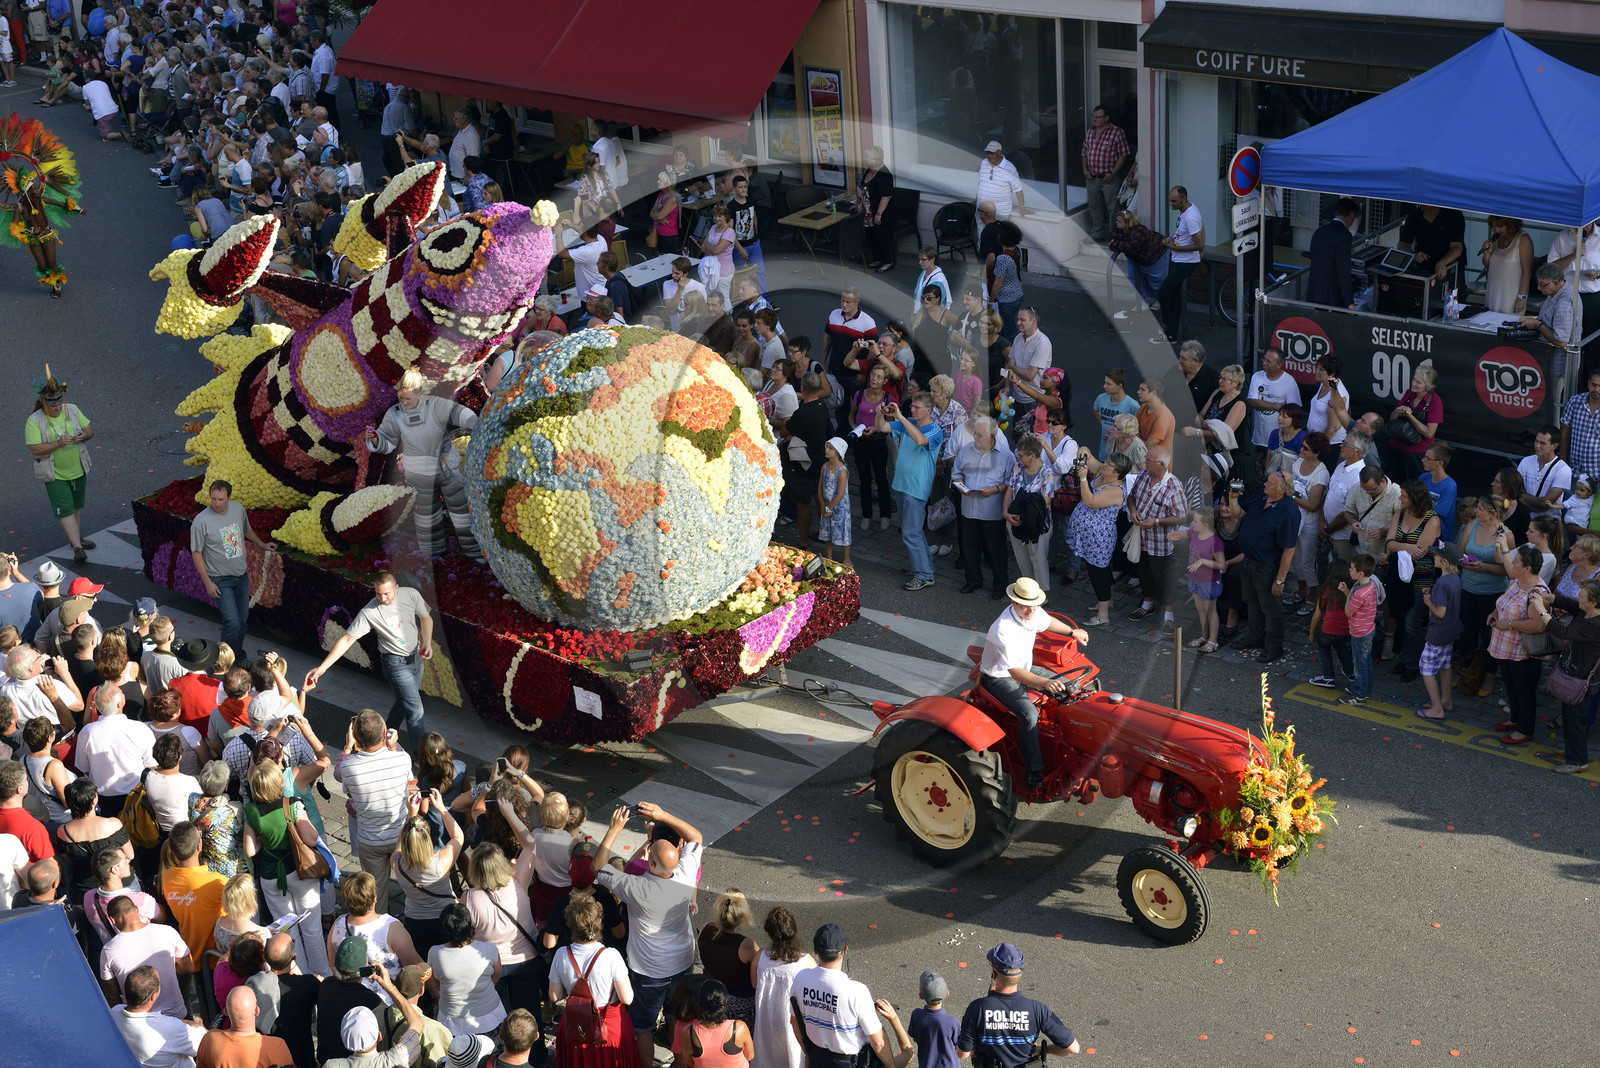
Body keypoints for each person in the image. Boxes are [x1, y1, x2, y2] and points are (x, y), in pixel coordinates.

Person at [977, 578, 1088, 790]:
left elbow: (1047, 622)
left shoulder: (1032, 612)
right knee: (1029, 716)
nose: (1031, 611)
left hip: (1024, 668)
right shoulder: (1003, 630)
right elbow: (1014, 673)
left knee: (1071, 688)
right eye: (1025, 606)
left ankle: (1068, 745)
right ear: (1014, 602)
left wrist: (1073, 632)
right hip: (1000, 676)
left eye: (1034, 605)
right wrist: (1046, 682)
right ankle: (1033, 771)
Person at [309, 572, 435, 752]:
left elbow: (426, 617)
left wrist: (427, 642)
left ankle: (382, 741)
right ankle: (423, 758)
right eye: (378, 593)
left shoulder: (410, 595)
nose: (382, 598)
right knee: (415, 710)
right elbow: (347, 639)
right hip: (395, 664)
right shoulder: (369, 612)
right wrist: (322, 668)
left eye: (387, 593)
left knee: (404, 702)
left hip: (416, 659)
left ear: (396, 588)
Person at [366, 369, 481, 560]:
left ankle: (476, 551)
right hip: (418, 473)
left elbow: (459, 413)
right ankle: (434, 555)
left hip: (448, 468)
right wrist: (376, 439)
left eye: (408, 399)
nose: (404, 402)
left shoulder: (435, 404)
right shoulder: (394, 414)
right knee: (427, 518)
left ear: (419, 394)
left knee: (462, 512)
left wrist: (474, 423)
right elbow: (387, 440)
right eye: (401, 398)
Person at [242, 758, 330, 977]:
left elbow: (250, 850)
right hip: (300, 872)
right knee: (312, 928)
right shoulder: (292, 804)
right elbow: (310, 839)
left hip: (270, 877)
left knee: (287, 931)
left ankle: (299, 975)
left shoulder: (250, 811)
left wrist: (264, 840)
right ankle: (321, 974)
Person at [329, 708, 413, 909]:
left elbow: (342, 779)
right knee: (412, 885)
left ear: (356, 738)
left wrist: (347, 747)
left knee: (375, 891)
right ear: (384, 734)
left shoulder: (348, 767)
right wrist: (394, 746)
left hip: (370, 840)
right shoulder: (402, 758)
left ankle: (380, 920)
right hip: (400, 835)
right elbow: (409, 780)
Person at [790, 924, 903, 1068]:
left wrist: (809, 1054)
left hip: (817, 1057)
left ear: (815, 950)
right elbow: (878, 1042)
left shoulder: (800, 979)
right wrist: (891, 1066)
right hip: (848, 1062)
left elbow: (794, 1022)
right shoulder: (857, 991)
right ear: (845, 949)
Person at [548, 890, 635, 1068]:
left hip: (575, 1027)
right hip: (608, 1029)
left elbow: (554, 996)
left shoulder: (561, 954)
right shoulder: (611, 955)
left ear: (571, 925)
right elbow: (627, 998)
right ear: (599, 922)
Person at [956, 943, 1078, 1065]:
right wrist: (1044, 1050)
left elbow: (963, 1053)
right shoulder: (1037, 1009)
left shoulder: (976, 1008)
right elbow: (1073, 1049)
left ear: (993, 974)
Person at [25, 368, 96, 563]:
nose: (57, 408)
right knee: (65, 509)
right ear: (44, 404)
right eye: (53, 405)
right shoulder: (34, 421)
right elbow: (34, 448)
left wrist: (84, 435)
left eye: (59, 404)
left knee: (76, 506)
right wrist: (58, 443)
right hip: (55, 474)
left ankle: (76, 538)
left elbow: (89, 429)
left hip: (78, 468)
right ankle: (77, 547)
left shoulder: (72, 409)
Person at [876, 393, 945, 591]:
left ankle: (924, 575)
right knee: (914, 532)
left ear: (928, 410)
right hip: (902, 484)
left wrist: (901, 417)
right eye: (912, 406)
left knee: (911, 533)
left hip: (916, 488)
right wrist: (880, 413)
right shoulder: (907, 424)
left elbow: (921, 441)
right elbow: (881, 427)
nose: (912, 410)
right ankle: (924, 565)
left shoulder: (935, 430)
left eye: (917, 407)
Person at [1532, 576, 1600, 774]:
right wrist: (1547, 597)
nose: (1578, 597)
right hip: (1575, 674)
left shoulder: (1593, 625)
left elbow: (1561, 631)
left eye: (1582, 596)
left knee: (1576, 720)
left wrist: (1541, 609)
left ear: (1593, 602)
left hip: (1582, 679)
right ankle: (1573, 749)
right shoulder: (1587, 612)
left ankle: (1578, 761)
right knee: (1570, 717)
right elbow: (1568, 603)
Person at [1488, 544, 1551, 746]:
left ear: (1528, 568)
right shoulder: (1516, 583)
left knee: (1524, 691)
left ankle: (1525, 729)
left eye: (1516, 562)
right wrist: (1495, 613)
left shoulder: (1537, 594)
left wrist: (1509, 624)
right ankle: (1515, 718)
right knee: (1511, 686)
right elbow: (1504, 604)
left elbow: (1538, 625)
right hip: (1506, 648)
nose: (1511, 564)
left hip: (1523, 653)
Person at [392, 787, 463, 962]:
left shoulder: (398, 864)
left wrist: (411, 814)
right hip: (445, 919)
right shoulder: (441, 863)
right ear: (427, 838)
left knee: (422, 964)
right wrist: (441, 808)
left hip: (415, 922)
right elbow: (458, 837)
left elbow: (399, 844)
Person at [99, 895, 194, 1019]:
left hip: (138, 1022)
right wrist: (165, 969)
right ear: (137, 909)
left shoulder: (108, 950)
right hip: (176, 1016)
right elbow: (188, 967)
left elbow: (112, 996)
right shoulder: (168, 932)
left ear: (112, 919)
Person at [1126, 446, 1187, 633]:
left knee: (1163, 577)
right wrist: (1133, 511)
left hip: (1161, 542)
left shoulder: (1173, 486)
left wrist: (1157, 521)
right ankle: (1147, 604)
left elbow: (1182, 516)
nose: (1144, 462)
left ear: (1161, 464)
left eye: (1148, 460)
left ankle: (1169, 614)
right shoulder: (1143, 476)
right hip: (1141, 537)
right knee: (1144, 572)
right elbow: (1131, 497)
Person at [952, 416, 1014, 599]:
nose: (975, 438)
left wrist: (995, 489)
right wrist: (961, 486)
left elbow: (1011, 482)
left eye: (980, 435)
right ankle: (973, 580)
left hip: (992, 512)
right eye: (975, 434)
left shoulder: (1006, 455)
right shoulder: (965, 451)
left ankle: (1000, 584)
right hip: (969, 509)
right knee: (969, 547)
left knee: (996, 550)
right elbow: (956, 473)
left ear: (992, 436)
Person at [752, 907, 813, 1068]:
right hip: (794, 1026)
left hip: (767, 1022)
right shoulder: (806, 962)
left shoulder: (760, 957)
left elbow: (754, 984)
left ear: (770, 934)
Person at [114, 965, 207, 1066]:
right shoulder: (172, 1029)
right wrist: (197, 1025)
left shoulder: (114, 1012)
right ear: (153, 996)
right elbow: (206, 1040)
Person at [1152, 187, 1204, 346]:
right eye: (1170, 200)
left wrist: (1175, 248)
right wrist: (1173, 239)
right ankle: (1171, 334)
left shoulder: (1190, 217)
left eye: (1174, 201)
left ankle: (1168, 325)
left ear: (1183, 199)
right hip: (1179, 259)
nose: (1171, 204)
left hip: (1185, 262)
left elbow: (1198, 244)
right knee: (1175, 297)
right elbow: (1200, 227)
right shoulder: (1187, 211)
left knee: (1163, 292)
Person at [1081, 106, 1129, 243]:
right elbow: (1084, 152)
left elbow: (1123, 154)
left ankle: (1115, 234)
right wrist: (1085, 170)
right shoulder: (1090, 131)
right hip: (1092, 178)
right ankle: (1097, 233)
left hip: (1109, 179)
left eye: (1098, 117)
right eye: (1093, 116)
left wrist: (1113, 173)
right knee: (1094, 207)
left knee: (1113, 208)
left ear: (1106, 118)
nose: (1094, 119)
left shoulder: (1117, 132)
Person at [1107, 210, 1167, 312]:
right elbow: (1112, 239)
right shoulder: (1119, 228)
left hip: (1154, 254)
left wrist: (1115, 244)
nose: (1116, 223)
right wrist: (1118, 244)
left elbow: (1129, 247)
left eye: (1119, 221)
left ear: (1126, 222)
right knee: (1135, 278)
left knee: (1156, 281)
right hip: (1137, 256)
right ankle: (1144, 300)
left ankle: (1159, 299)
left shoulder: (1139, 232)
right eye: (1117, 220)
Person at [1306, 197, 1360, 309]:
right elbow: (1343, 269)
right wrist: (1349, 302)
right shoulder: (1344, 235)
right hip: (1333, 297)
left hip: (1315, 293)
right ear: (1352, 214)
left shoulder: (1319, 232)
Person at [1398, 203, 1466, 286]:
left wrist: (1443, 263)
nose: (1421, 202)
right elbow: (1402, 244)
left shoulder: (1454, 215)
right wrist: (1414, 255)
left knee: (1453, 293)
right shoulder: (1414, 215)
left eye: (1426, 200)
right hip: (1425, 267)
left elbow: (1457, 247)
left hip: (1451, 267)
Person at [817, 438, 853, 570]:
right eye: (826, 447)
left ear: (838, 452)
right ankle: (829, 557)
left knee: (843, 531)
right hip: (827, 506)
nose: (826, 450)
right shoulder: (824, 467)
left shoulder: (842, 471)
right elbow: (820, 487)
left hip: (840, 508)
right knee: (827, 532)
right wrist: (823, 505)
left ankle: (846, 559)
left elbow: (840, 494)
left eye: (830, 448)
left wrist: (829, 508)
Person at [1091, 369, 1139, 461]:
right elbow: (1095, 409)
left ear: (1119, 386)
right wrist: (1103, 424)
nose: (1104, 386)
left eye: (1109, 384)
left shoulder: (1133, 406)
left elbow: (1137, 432)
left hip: (1122, 458)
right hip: (1104, 454)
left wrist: (1117, 438)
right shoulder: (1101, 398)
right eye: (1105, 382)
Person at [974, 141, 1026, 221]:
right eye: (988, 153)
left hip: (999, 213)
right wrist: (976, 200)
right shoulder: (984, 162)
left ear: (999, 152)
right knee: (980, 229)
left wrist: (1022, 208)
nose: (989, 155)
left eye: (992, 153)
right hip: (981, 210)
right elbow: (981, 183)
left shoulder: (1009, 168)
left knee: (997, 229)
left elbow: (1018, 190)